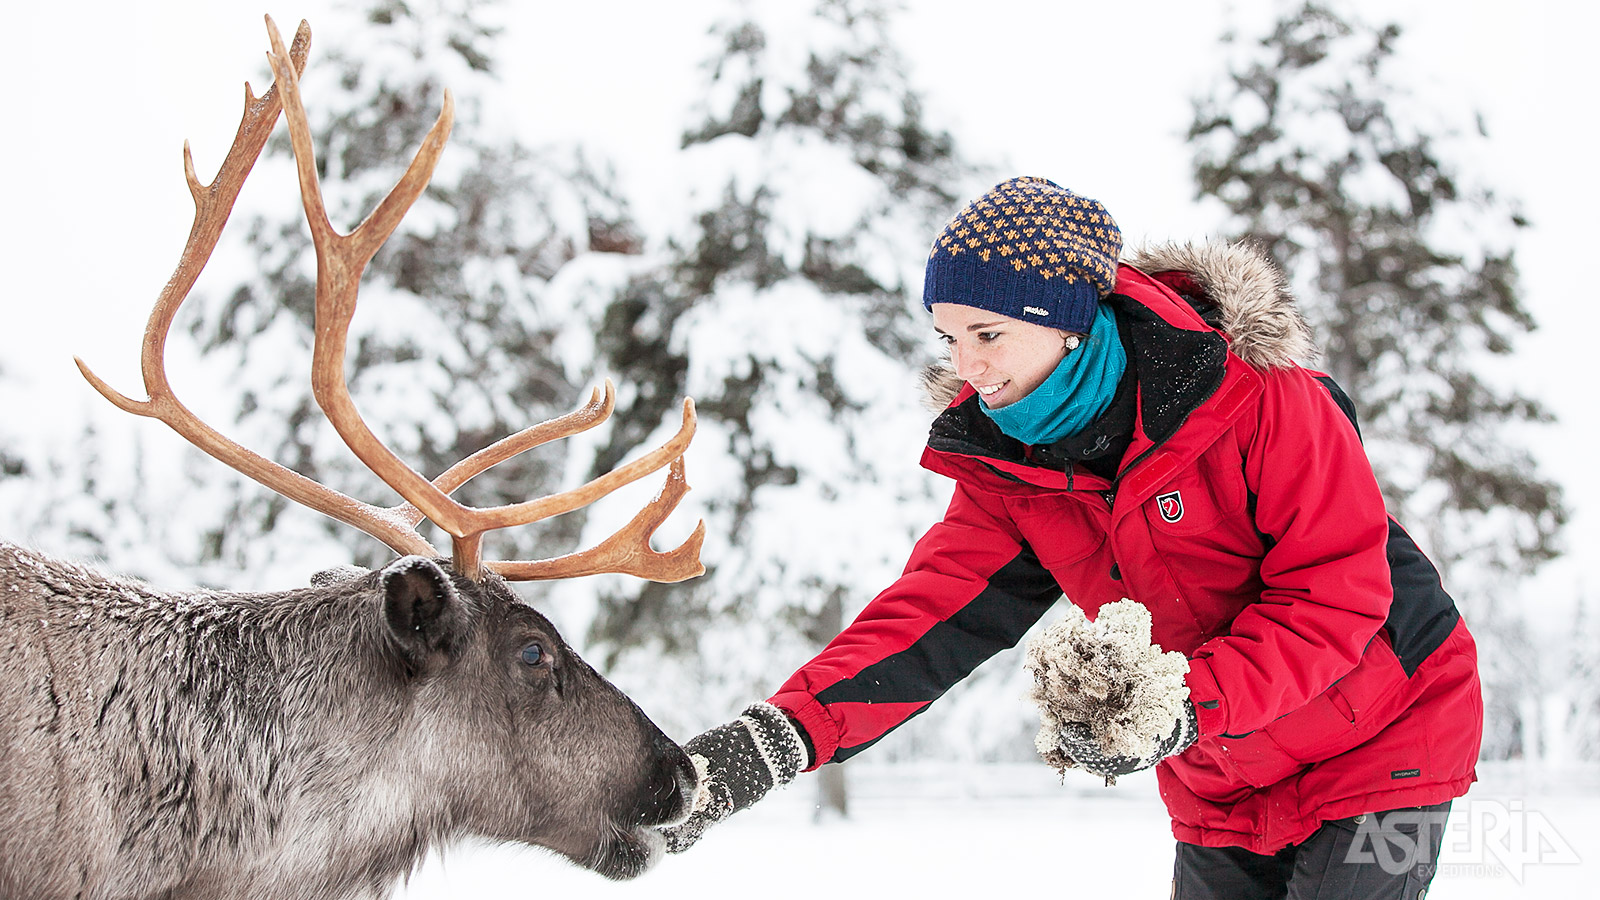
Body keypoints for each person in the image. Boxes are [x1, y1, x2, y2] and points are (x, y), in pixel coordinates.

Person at [661, 176, 1481, 899]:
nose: (970, 367)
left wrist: (1179, 705)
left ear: (1066, 323)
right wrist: (771, 742)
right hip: (1220, 775)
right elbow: (928, 621)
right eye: (949, 338)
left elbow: (1335, 600)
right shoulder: (1014, 468)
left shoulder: (1266, 403)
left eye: (989, 334)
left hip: (1388, 737)